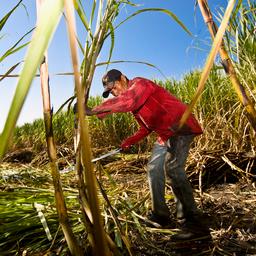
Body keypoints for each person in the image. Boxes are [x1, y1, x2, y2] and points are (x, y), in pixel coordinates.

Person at [85, 69, 210, 240]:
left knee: (172, 168)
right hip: (165, 134)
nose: (114, 93)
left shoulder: (140, 84)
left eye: (114, 87)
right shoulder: (135, 107)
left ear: (122, 78)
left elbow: (129, 100)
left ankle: (194, 223)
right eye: (111, 92)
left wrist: (94, 109)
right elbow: (145, 128)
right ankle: (161, 216)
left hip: (181, 125)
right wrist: (128, 141)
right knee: (153, 168)